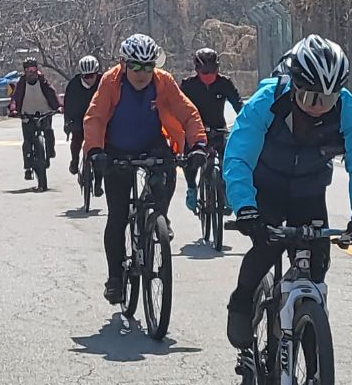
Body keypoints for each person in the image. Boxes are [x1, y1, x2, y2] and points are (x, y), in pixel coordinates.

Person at [223, 34, 352, 348]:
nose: (319, 107)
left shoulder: (349, 111)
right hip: (265, 188)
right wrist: (245, 208)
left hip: (309, 192)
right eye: (310, 98)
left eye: (329, 99)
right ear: (295, 86)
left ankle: (311, 349)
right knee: (266, 250)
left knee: (317, 264)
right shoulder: (267, 101)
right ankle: (241, 302)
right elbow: (238, 157)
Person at [83, 34, 208, 304]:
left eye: (148, 67)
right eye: (136, 67)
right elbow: (95, 117)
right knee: (117, 216)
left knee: (168, 168)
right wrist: (94, 151)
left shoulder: (163, 82)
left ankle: (159, 217)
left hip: (152, 144)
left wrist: (198, 145)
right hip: (115, 149)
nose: (142, 74)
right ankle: (114, 277)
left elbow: (188, 113)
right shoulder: (110, 82)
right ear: (124, 64)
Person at [179, 48, 243, 213]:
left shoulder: (225, 83)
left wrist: (245, 123)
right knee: (190, 158)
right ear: (197, 70)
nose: (209, 76)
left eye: (212, 71)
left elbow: (239, 106)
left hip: (218, 129)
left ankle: (226, 190)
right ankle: (192, 188)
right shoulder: (188, 85)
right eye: (205, 72)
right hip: (195, 131)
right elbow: (178, 108)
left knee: (228, 159)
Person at [8, 58, 61, 180]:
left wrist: (59, 106)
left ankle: (50, 151)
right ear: (25, 71)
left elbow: (52, 94)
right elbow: (15, 98)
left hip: (44, 112)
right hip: (27, 115)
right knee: (27, 141)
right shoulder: (21, 83)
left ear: (37, 70)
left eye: (33, 70)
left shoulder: (43, 81)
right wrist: (13, 110)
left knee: (48, 132)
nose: (31, 73)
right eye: (28, 71)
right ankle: (28, 168)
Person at [63, 55, 102, 190]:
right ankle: (74, 160)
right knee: (77, 137)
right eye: (86, 76)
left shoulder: (103, 82)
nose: (90, 79)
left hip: (98, 118)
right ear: (81, 75)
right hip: (79, 117)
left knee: (101, 150)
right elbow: (67, 106)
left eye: (92, 76)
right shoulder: (73, 85)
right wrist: (67, 123)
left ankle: (98, 182)